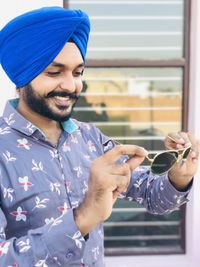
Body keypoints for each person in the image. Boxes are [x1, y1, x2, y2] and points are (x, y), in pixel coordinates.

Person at [0, 6, 199, 267]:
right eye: (54, 72)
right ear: (23, 75)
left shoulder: (89, 137)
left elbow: (152, 196)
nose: (71, 85)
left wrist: (179, 176)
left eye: (78, 72)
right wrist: (84, 217)